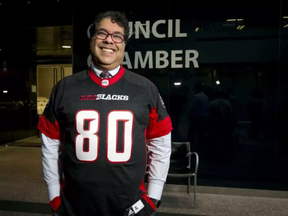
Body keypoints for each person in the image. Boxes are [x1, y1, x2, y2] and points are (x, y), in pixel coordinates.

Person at [37, 10, 172, 216]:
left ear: (124, 43)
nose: (109, 41)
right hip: (75, 204)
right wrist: (54, 194)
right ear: (92, 37)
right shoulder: (65, 88)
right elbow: (50, 144)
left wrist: (154, 195)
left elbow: (161, 143)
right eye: (102, 33)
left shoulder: (145, 88)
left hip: (130, 204)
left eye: (117, 36)